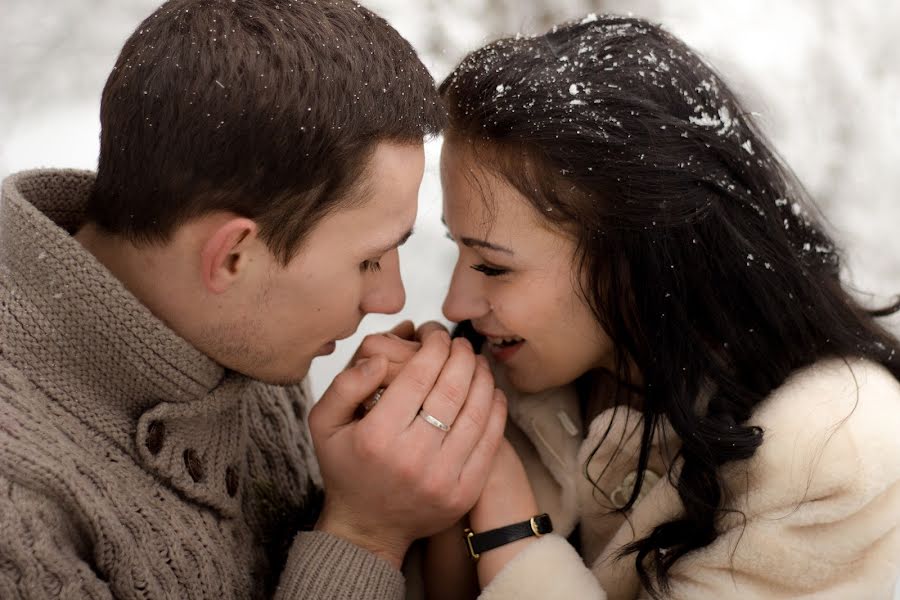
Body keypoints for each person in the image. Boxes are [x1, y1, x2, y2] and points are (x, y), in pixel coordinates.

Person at [0, 1, 508, 598]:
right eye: (368, 259)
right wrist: (366, 535)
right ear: (233, 257)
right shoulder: (18, 517)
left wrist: (385, 471)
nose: (390, 296)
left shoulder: (230, 326)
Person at [420, 13, 900, 599]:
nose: (456, 303)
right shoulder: (501, 393)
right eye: (458, 249)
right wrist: (417, 500)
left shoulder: (830, 454)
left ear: (636, 258)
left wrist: (505, 515)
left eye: (494, 265)